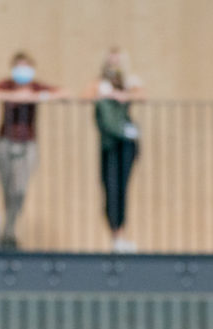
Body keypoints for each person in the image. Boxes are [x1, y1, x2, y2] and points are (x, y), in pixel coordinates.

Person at [0, 53, 67, 250]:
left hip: (28, 142)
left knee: (19, 189)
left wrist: (36, 97)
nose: (22, 71)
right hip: (5, 141)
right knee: (6, 188)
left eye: (26, 66)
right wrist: (13, 96)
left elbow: (63, 93)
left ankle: (9, 230)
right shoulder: (8, 84)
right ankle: (8, 232)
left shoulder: (36, 86)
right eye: (18, 66)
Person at [84, 48, 144, 253]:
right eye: (111, 60)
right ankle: (114, 234)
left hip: (126, 141)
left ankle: (121, 235)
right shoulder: (100, 83)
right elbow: (86, 95)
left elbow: (141, 94)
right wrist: (107, 92)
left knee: (122, 188)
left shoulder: (129, 81)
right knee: (109, 187)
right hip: (108, 143)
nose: (115, 64)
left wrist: (123, 93)